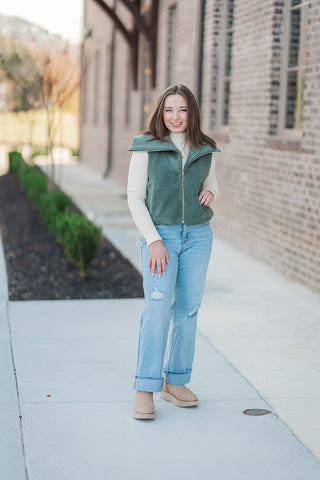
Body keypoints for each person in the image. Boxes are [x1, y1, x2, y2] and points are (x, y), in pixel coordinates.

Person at [127, 84, 220, 420]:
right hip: (160, 237)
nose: (175, 117)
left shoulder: (204, 147)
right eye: (169, 110)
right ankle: (145, 387)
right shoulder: (146, 146)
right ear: (160, 112)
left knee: (189, 307)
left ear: (191, 112)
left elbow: (211, 183)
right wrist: (153, 240)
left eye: (182, 110)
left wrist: (210, 192)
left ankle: (175, 381)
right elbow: (135, 197)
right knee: (157, 307)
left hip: (197, 236)